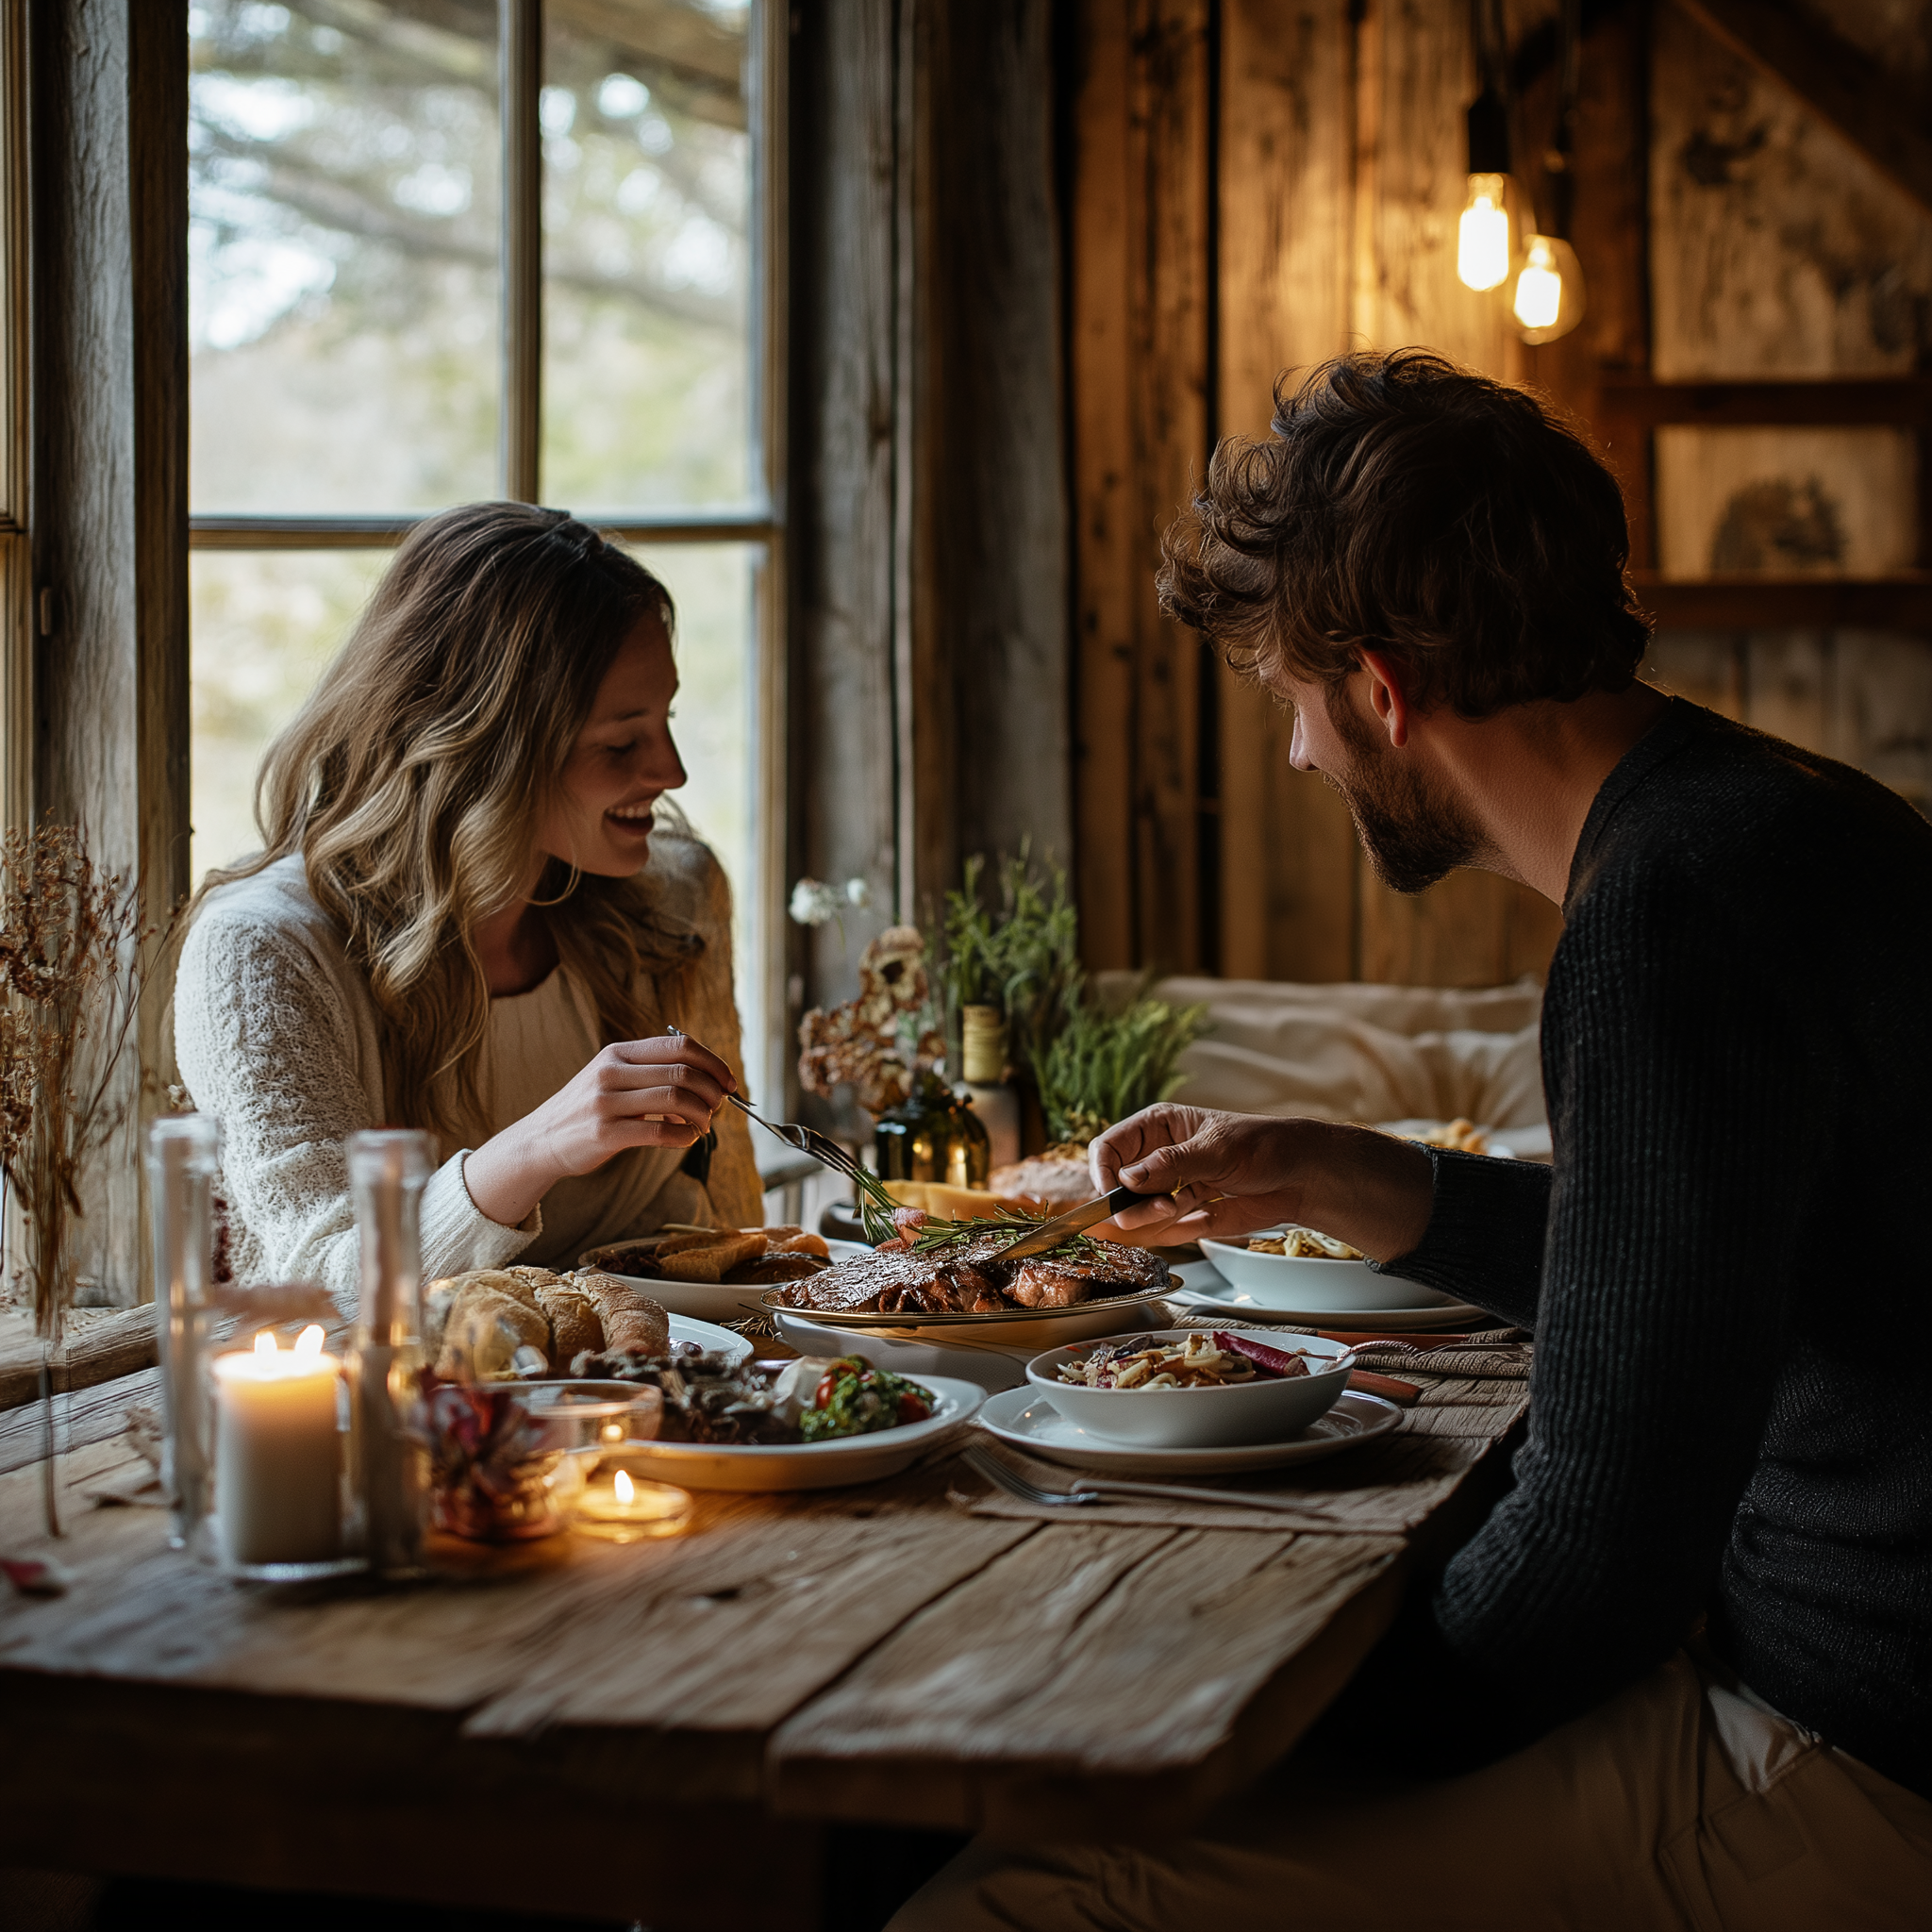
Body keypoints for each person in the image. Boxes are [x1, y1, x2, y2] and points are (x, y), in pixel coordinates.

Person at [891, 352, 1932, 1928]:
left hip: (1843, 1755)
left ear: (1380, 689)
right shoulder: (1779, 819)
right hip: (1836, 1681)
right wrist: (1344, 1176)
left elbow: (1599, 1550)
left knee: (1018, 1893)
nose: (1299, 756)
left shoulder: (1665, 920)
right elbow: (1694, 1280)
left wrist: (1248, 1722)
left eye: (1288, 703)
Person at [175, 502, 757, 1313]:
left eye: (666, 720)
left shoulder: (676, 899)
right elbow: (322, 1292)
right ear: (485, 749)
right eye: (621, 741)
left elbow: (731, 1227)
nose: (673, 771)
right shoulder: (260, 953)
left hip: (669, 1376)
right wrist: (538, 1147)